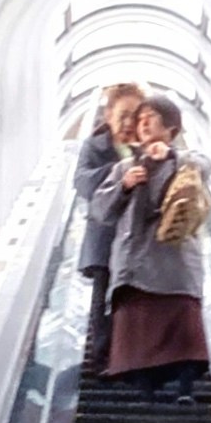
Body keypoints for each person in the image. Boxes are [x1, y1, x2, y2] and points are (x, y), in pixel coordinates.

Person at [92, 93, 211, 405]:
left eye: (152, 119)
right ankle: (145, 392)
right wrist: (125, 185)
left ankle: (185, 389)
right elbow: (101, 210)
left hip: (174, 261)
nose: (143, 124)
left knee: (181, 325)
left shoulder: (187, 161)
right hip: (135, 261)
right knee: (137, 330)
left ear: (171, 128)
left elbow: (206, 166)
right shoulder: (124, 168)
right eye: (141, 119)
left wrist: (173, 157)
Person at [74, 83, 143, 379]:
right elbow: (83, 183)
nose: (128, 123)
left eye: (135, 116)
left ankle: (132, 360)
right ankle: (101, 360)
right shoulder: (94, 146)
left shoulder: (149, 148)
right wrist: (119, 173)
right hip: (104, 237)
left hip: (138, 241)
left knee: (134, 300)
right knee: (102, 300)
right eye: (123, 115)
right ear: (108, 114)